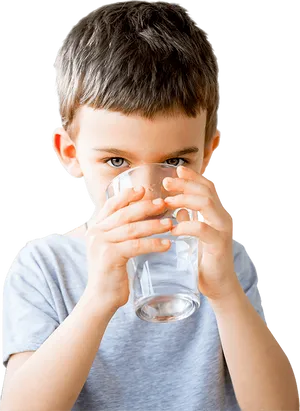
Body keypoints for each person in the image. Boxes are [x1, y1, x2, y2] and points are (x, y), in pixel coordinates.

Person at [1, 1, 298, 410]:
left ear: (207, 153)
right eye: (117, 162)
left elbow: (278, 407)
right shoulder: (47, 268)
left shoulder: (221, 261)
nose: (150, 194)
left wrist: (226, 291)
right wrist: (99, 297)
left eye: (175, 161)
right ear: (70, 153)